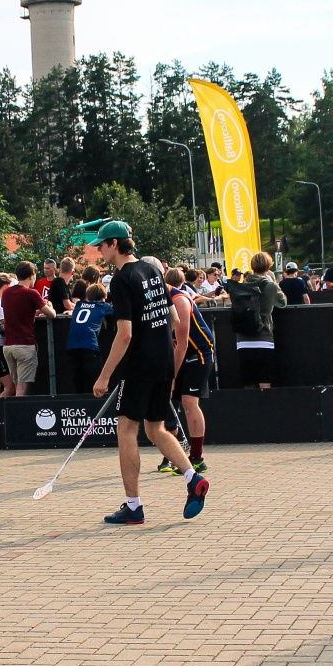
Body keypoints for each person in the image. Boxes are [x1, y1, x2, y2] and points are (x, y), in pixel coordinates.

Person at [90, 221, 205, 524]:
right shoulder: (153, 270)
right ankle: (192, 477)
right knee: (156, 428)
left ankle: (133, 506)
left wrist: (104, 376)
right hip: (163, 360)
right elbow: (173, 317)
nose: (99, 251)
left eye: (101, 245)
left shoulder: (121, 279)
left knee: (126, 429)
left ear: (114, 244)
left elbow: (125, 334)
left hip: (139, 365)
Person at [164, 266, 216, 471]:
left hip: (198, 353)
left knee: (189, 401)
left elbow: (183, 343)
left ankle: (197, 457)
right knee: (168, 401)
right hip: (179, 352)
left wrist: (172, 376)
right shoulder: (155, 301)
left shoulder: (179, 300)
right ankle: (170, 456)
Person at [225, 252, 282, 390]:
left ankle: (249, 404)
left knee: (248, 381)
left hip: (242, 339)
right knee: (265, 379)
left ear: (252, 266)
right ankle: (265, 404)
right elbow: (282, 302)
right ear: (268, 267)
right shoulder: (270, 286)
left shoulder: (240, 286)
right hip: (264, 337)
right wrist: (274, 282)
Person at [0, 262, 52, 398]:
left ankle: (11, 409)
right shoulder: (31, 293)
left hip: (8, 346)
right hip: (25, 345)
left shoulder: (7, 292)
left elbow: (17, 312)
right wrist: (50, 306)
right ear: (32, 276)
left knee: (16, 384)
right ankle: (19, 410)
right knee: (22, 387)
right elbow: (51, 314)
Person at [64, 282, 114, 396]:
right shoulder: (102, 306)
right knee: (93, 383)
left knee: (78, 384)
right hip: (90, 347)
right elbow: (118, 311)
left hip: (72, 347)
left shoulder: (79, 304)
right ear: (103, 298)